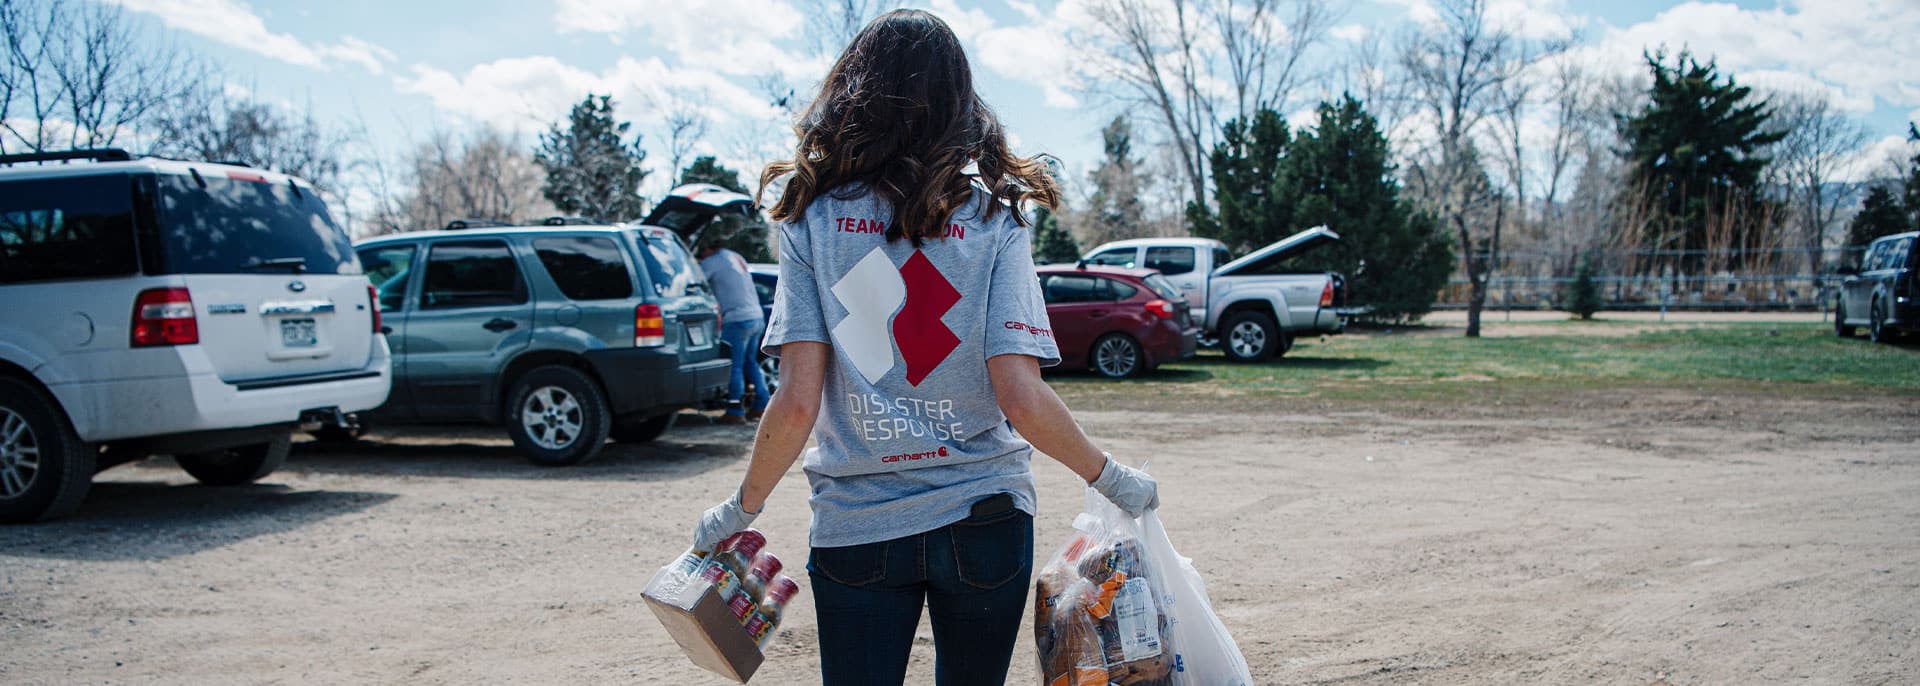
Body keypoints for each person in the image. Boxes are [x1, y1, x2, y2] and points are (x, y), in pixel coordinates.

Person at [688, 10, 1159, 686]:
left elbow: (795, 403)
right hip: (985, 517)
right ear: (958, 102)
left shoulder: (811, 219)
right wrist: (1111, 477)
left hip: (857, 526)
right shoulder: (995, 218)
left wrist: (740, 509)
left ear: (853, 91)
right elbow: (1020, 398)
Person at [698, 240, 769, 425]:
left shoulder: (711, 261)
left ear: (708, 249)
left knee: (735, 365)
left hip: (736, 319)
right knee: (750, 362)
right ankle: (762, 406)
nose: (700, 258)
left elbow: (695, 283)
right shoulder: (734, 256)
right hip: (756, 316)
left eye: (701, 254)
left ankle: (734, 409)